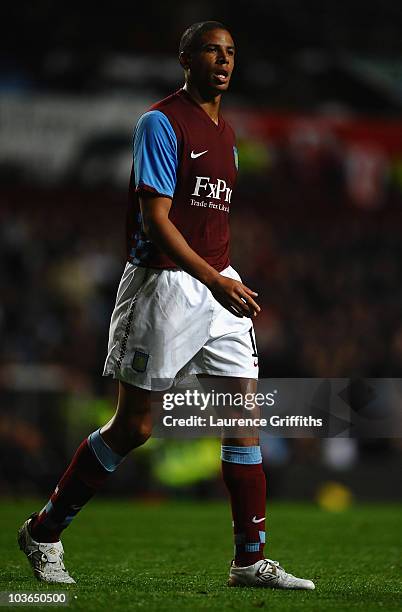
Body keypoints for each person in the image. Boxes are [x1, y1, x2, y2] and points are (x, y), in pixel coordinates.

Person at [18, 21, 315, 590]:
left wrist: (223, 280)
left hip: (217, 284)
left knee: (243, 421)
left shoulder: (227, 135)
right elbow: (157, 223)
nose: (223, 60)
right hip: (164, 285)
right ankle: (44, 531)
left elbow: (208, 221)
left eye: (230, 52)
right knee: (135, 427)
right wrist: (212, 279)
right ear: (185, 57)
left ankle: (249, 560)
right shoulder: (160, 122)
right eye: (211, 49)